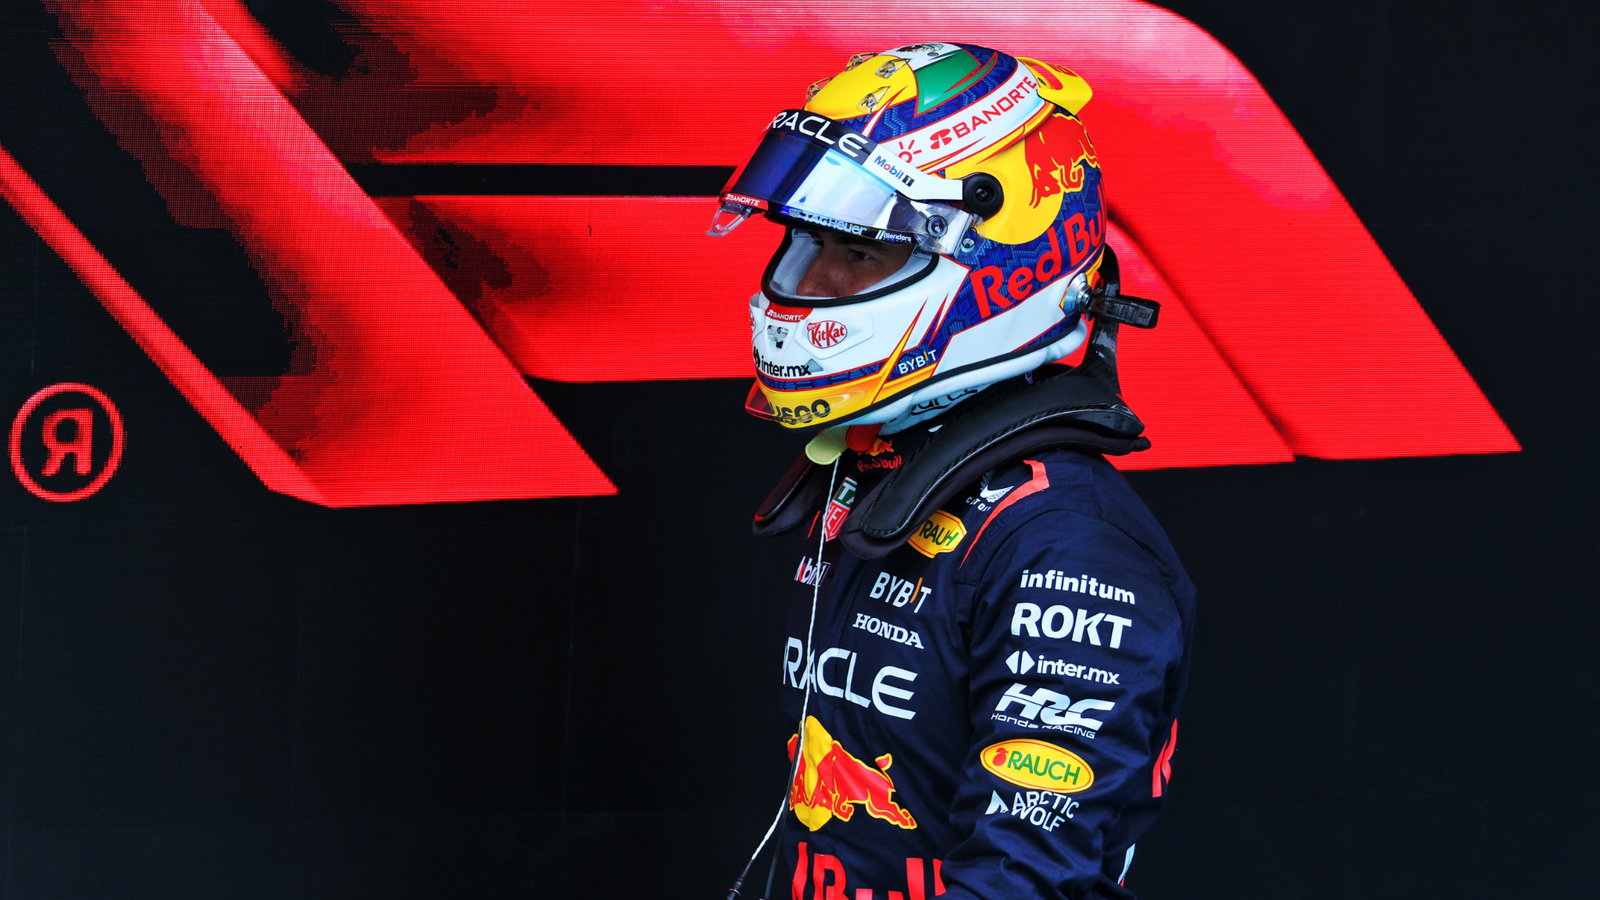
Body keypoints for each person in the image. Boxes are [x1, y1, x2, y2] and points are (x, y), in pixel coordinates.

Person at [709, 42, 1196, 900]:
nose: (811, 282)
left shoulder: (1065, 546)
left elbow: (1026, 883)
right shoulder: (886, 475)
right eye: (809, 243)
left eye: (858, 255)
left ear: (1002, 268)